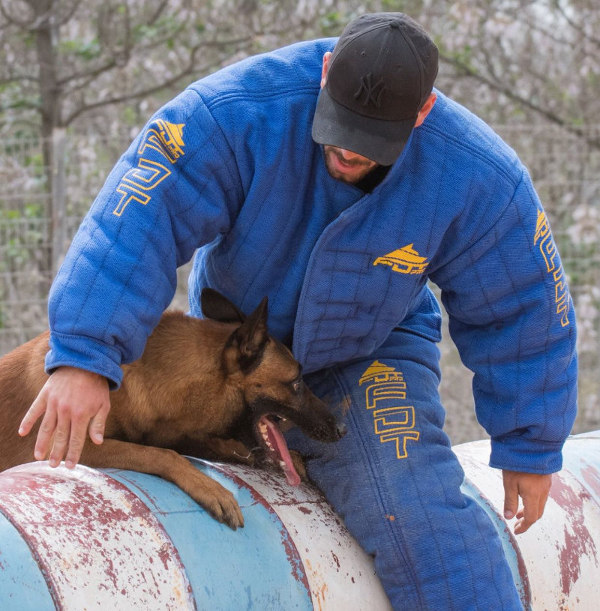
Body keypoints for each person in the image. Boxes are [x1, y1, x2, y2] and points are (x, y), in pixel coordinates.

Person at [19, 12, 577, 609]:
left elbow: (525, 305)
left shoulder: (477, 176)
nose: (346, 148)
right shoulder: (234, 111)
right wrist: (84, 355)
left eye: (371, 140)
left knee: (419, 518)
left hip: (366, 353)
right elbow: (136, 220)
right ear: (326, 73)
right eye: (339, 126)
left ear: (421, 114)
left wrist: (529, 444)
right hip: (234, 348)